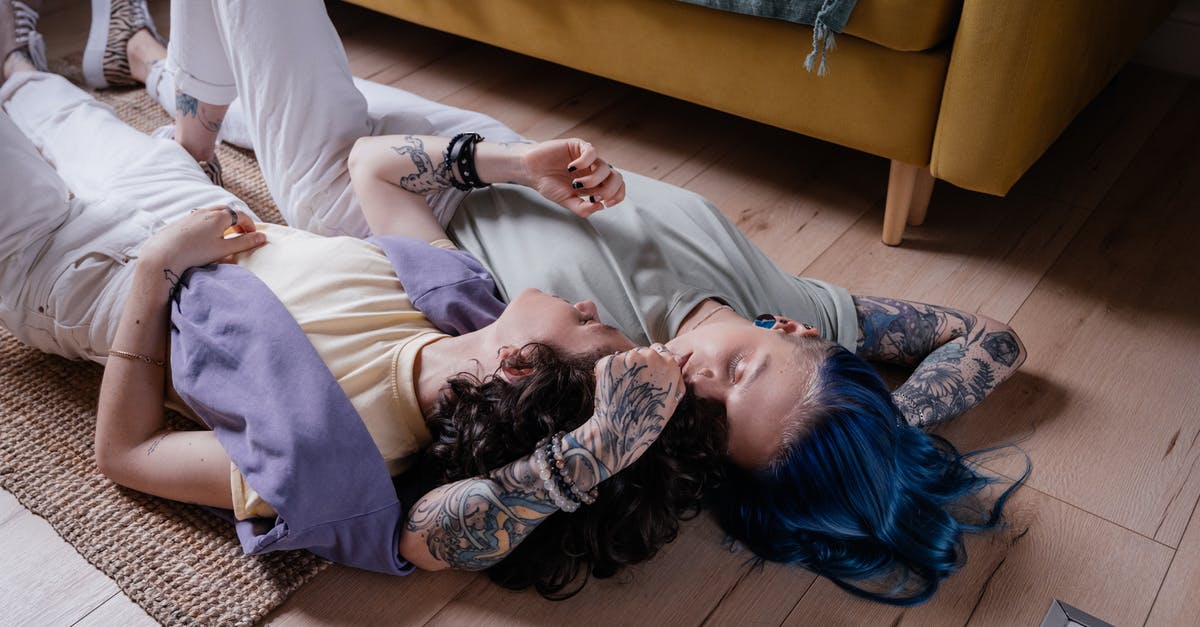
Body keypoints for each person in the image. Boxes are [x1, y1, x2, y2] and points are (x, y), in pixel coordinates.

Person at [1, 0, 724, 597]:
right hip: (180, 191)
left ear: (517, 363)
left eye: (592, 327)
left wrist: (160, 266)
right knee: (49, 106)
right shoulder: (460, 303)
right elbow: (370, 167)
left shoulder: (336, 460)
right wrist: (514, 166)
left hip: (71, 272)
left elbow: (127, 452)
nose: (591, 307)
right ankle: (22, 65)